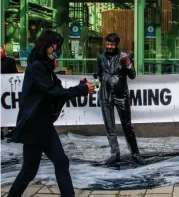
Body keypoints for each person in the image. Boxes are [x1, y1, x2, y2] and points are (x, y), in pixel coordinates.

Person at [7, 30, 95, 197]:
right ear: (45, 45)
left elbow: (57, 90)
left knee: (50, 164)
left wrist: (79, 86)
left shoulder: (44, 66)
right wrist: (81, 89)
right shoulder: (37, 67)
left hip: (41, 124)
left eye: (58, 46)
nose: (56, 49)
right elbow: (51, 92)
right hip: (35, 126)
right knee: (34, 169)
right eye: (53, 45)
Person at [97, 33, 142, 164]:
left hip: (121, 96)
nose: (109, 47)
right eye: (107, 44)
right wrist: (105, 82)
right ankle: (115, 153)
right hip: (105, 95)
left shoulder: (125, 56)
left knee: (127, 125)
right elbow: (99, 74)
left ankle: (135, 153)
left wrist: (128, 63)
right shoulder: (101, 58)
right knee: (109, 127)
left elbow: (133, 75)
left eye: (112, 44)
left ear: (117, 44)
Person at [1, 45, 18, 140]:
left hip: (8, 90)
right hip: (2, 90)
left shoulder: (10, 61)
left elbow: (15, 74)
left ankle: (11, 132)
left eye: (1, 50)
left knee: (9, 109)